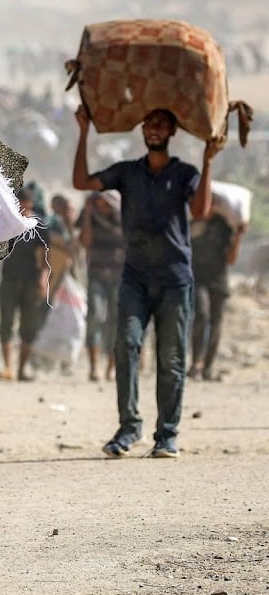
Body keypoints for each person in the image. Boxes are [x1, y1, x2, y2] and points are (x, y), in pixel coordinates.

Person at [73, 106, 216, 458]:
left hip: (175, 279)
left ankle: (167, 435)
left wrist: (208, 160)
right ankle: (129, 428)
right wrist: (84, 131)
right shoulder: (127, 172)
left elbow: (201, 211)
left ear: (173, 132)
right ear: (142, 129)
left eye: (162, 124)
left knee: (172, 359)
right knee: (126, 346)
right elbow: (82, 183)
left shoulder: (184, 173)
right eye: (150, 123)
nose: (154, 129)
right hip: (135, 277)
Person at [0, 185, 49, 382]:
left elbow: (44, 256)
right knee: (6, 324)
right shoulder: (8, 222)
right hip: (9, 279)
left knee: (28, 327)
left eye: (27, 204)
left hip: (30, 281)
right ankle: (8, 367)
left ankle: (22, 369)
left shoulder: (37, 224)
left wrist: (43, 279)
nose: (24, 208)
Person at [188, 212, 245, 381]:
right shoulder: (193, 222)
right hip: (197, 279)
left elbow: (231, 259)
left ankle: (208, 367)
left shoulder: (225, 225)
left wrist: (239, 235)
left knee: (216, 323)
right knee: (201, 314)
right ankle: (196, 363)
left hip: (218, 280)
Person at [79, 190, 125, 382]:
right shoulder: (90, 216)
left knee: (116, 320)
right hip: (96, 274)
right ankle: (94, 367)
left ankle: (112, 367)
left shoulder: (122, 218)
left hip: (119, 275)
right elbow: (85, 242)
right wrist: (89, 214)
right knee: (95, 317)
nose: (101, 206)